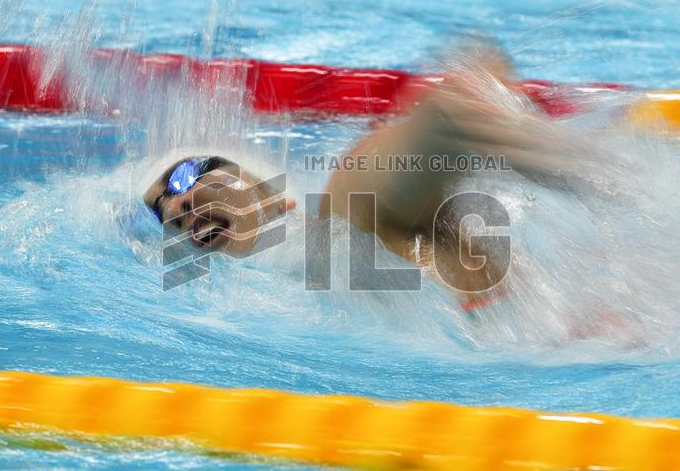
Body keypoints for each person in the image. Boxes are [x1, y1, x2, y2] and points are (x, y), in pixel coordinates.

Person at [143, 45, 613, 309]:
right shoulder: (232, 295)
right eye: (175, 222)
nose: (178, 207)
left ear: (270, 194)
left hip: (344, 229)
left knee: (450, 108)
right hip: (468, 308)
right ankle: (613, 184)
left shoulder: (316, 218)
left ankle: (615, 184)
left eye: (189, 182)